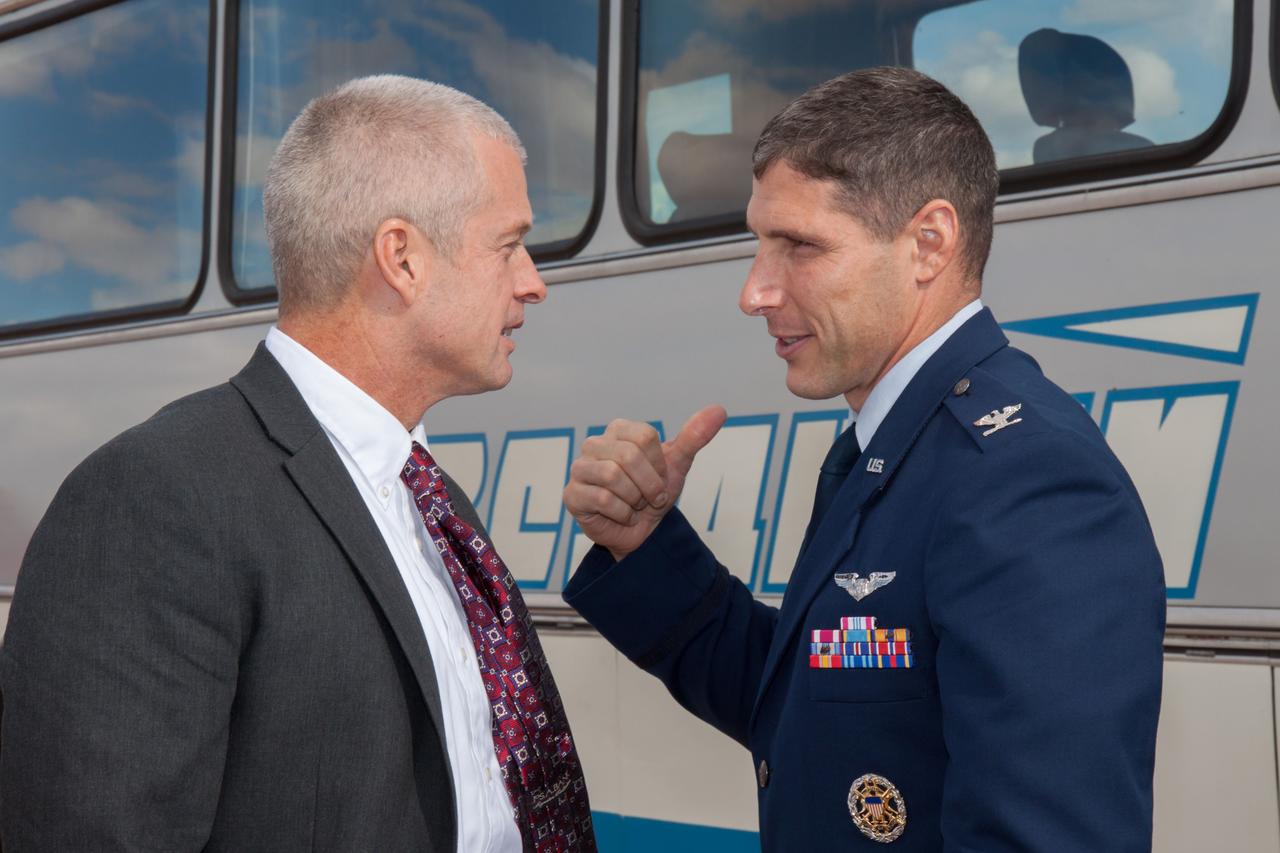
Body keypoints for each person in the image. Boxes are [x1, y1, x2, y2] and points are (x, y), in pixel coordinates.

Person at [562, 67, 1163, 851]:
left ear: (929, 243)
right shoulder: (892, 446)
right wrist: (644, 545)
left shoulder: (1029, 479)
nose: (754, 291)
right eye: (758, 244)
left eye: (800, 246)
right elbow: (811, 706)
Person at [1, 75, 595, 852]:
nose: (533, 282)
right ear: (402, 259)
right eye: (509, 244)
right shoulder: (157, 497)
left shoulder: (434, 498)